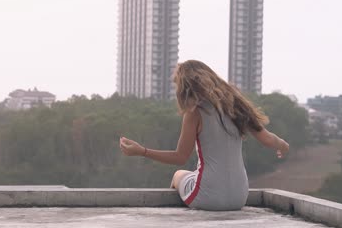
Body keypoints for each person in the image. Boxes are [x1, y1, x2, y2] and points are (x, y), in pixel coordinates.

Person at [119, 60, 289, 211]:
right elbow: (267, 139)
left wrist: (142, 151)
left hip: (208, 197)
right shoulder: (236, 107)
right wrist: (282, 144)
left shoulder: (195, 112)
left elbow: (180, 157)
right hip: (239, 197)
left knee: (178, 175)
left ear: (186, 87)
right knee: (194, 174)